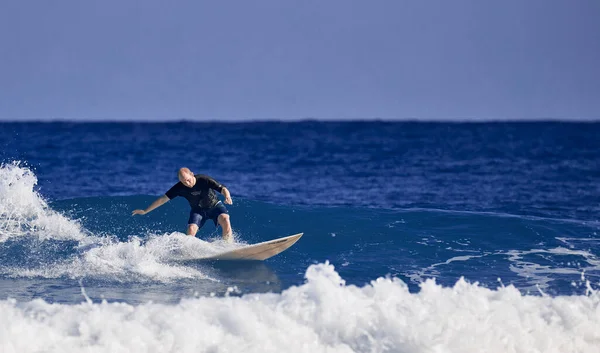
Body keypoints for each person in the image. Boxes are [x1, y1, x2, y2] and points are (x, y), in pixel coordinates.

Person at [132, 167, 234, 242]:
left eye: (188, 180)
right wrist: (145, 211)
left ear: (192, 174)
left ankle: (227, 246)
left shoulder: (204, 179)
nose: (187, 184)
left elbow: (222, 188)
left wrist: (227, 196)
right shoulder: (179, 187)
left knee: (225, 219)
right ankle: (188, 251)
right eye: (184, 182)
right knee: (191, 229)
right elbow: (163, 199)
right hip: (198, 211)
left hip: (214, 205)